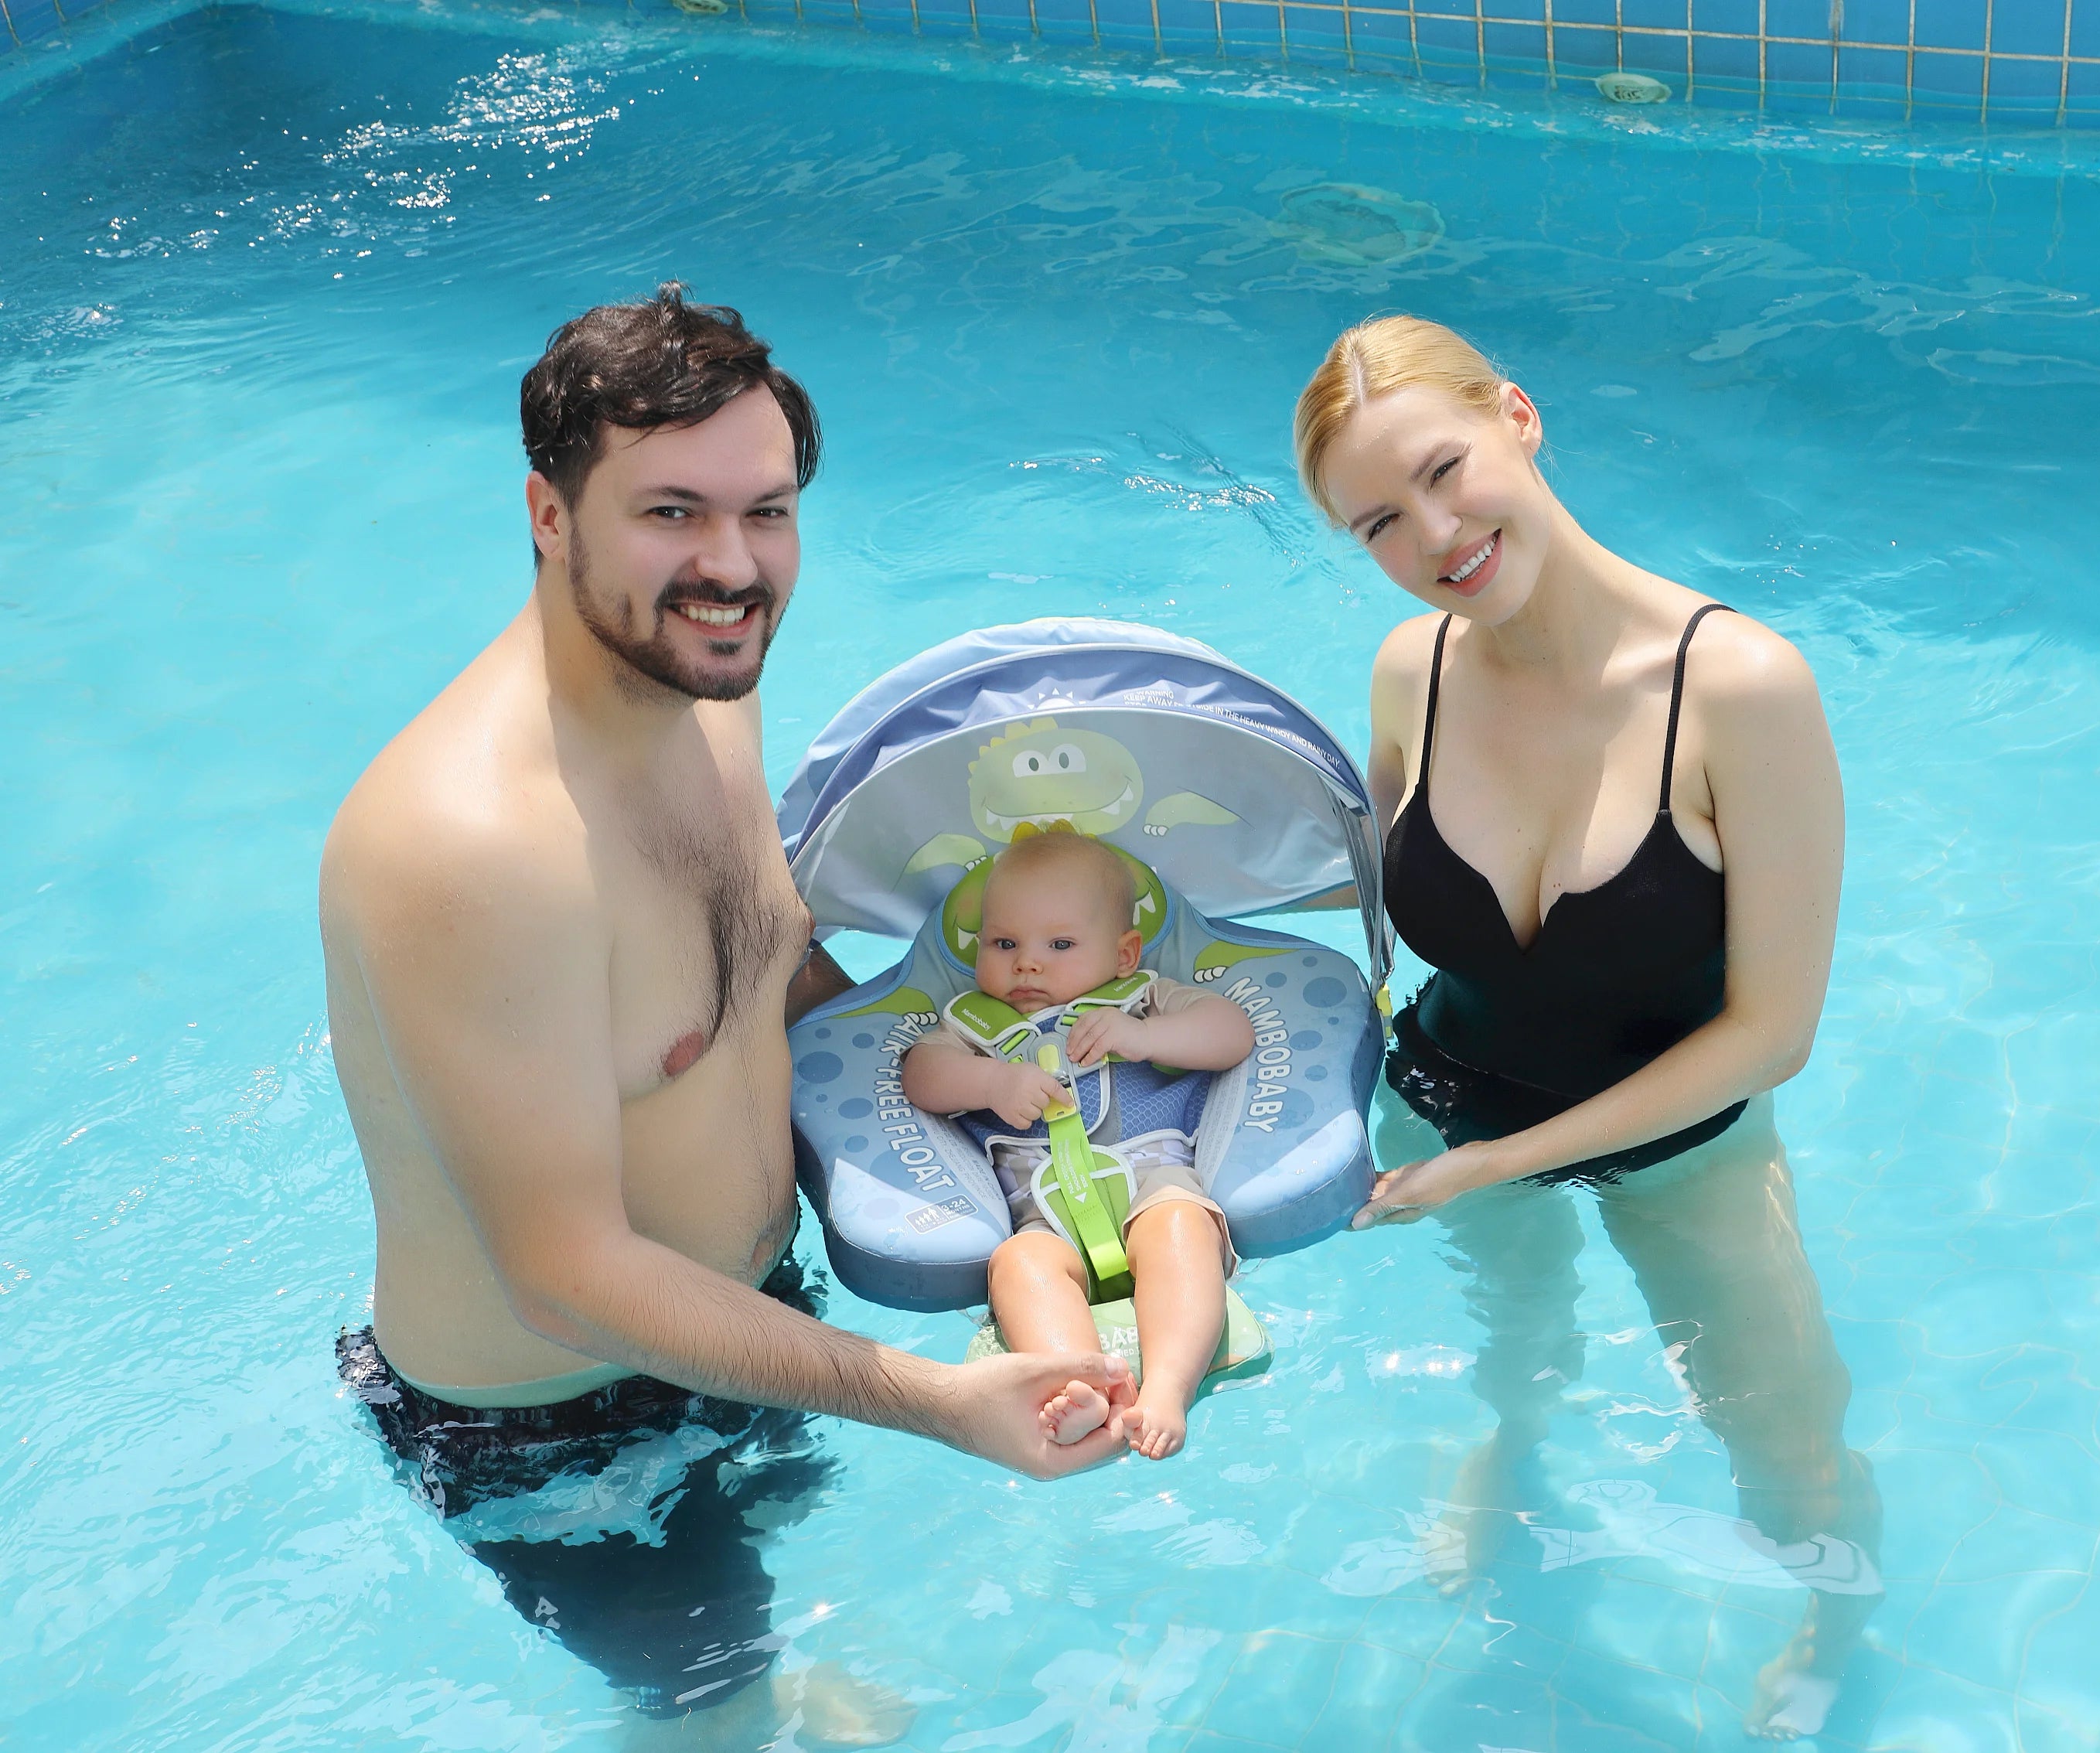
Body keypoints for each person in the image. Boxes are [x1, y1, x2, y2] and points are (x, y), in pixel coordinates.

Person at [319, 285, 1130, 1747]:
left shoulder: (705, 682)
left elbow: (761, 968)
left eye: (768, 512)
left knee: (760, 1618)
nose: (733, 565)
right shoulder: (473, 844)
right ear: (549, 514)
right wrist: (937, 1400)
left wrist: (1004, 1092)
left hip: (747, 1315)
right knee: (711, 1711)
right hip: (559, 1426)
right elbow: (563, 1275)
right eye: (672, 513)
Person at [1293, 315, 1885, 1743]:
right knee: (1519, 1345)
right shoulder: (1411, 669)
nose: (1435, 535)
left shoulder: (1740, 689)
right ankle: (1513, 1444)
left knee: (1783, 1435)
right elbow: (1359, 894)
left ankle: (1836, 1616)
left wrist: (1505, 1162)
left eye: (1444, 470)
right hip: (1444, 1100)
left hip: (1680, 1140)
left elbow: (1774, 1032)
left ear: (1518, 414)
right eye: (1379, 522)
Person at [902, 829, 1254, 1461]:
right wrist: (991, 1081)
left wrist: (1145, 1038)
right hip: (1043, 1216)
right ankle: (1082, 1388)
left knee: (1181, 1224)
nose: (1027, 963)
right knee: (1019, 1264)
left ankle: (1168, 1387)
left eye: (1059, 944)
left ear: (1124, 953)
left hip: (1151, 1185)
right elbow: (921, 1077)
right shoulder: (972, 1025)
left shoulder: (1145, 998)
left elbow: (1232, 1032)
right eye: (1004, 943)